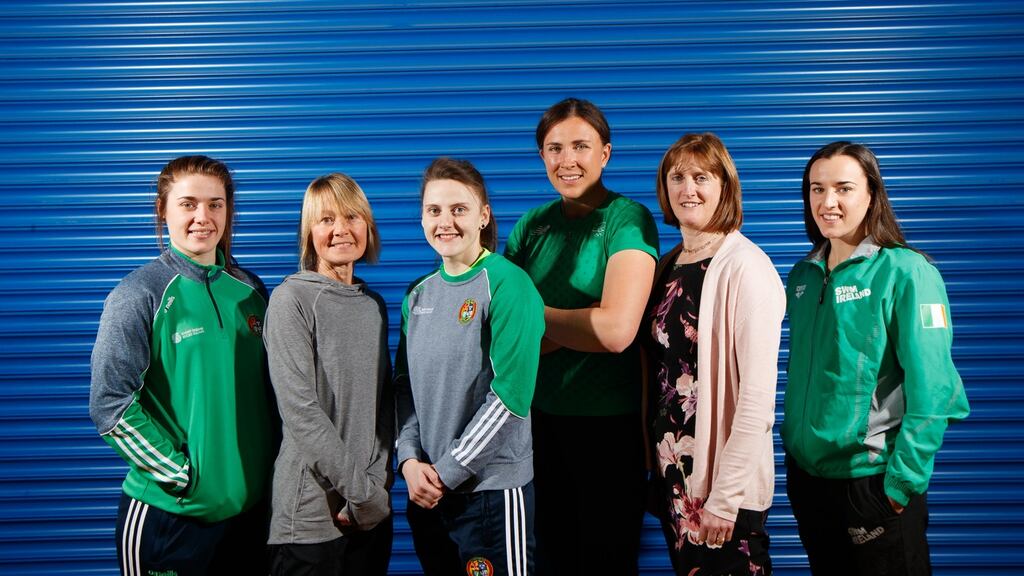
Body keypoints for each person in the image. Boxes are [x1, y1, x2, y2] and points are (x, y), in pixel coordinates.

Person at [782, 141, 970, 575]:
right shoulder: (803, 276)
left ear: (872, 194)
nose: (827, 202)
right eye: (816, 189)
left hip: (872, 483)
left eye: (843, 188)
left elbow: (935, 389)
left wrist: (900, 484)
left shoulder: (907, 271)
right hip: (810, 484)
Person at [89, 155, 276, 575]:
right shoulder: (139, 295)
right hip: (169, 518)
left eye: (215, 204)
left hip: (248, 518)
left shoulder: (249, 291)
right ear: (163, 209)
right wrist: (181, 475)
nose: (203, 217)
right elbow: (110, 405)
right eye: (188, 204)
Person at [504, 97, 660, 574]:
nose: (566, 160)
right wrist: (580, 319)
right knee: (551, 559)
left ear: (606, 153)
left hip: (608, 432)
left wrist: (533, 318)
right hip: (537, 429)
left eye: (580, 146)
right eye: (554, 148)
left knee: (606, 561)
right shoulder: (532, 226)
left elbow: (616, 332)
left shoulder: (627, 219)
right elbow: (502, 335)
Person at [395, 157, 545, 576]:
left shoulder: (507, 284)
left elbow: (511, 397)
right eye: (434, 210)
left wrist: (445, 473)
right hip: (428, 493)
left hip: (491, 495)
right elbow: (405, 387)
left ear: (483, 216)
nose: (445, 222)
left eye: (459, 209)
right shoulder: (418, 295)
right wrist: (408, 461)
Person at [641, 133, 782, 575]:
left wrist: (726, 498)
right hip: (675, 478)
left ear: (725, 186)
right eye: (677, 177)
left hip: (721, 489)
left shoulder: (746, 267)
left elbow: (757, 399)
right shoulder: (667, 266)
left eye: (702, 177)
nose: (688, 189)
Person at [263, 173, 394, 575]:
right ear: (309, 234)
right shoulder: (291, 300)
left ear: (367, 227)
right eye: (326, 220)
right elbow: (301, 413)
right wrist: (363, 494)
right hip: (309, 521)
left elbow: (382, 407)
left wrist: (373, 493)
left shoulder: (373, 304)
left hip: (368, 513)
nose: (341, 230)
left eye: (352, 217)